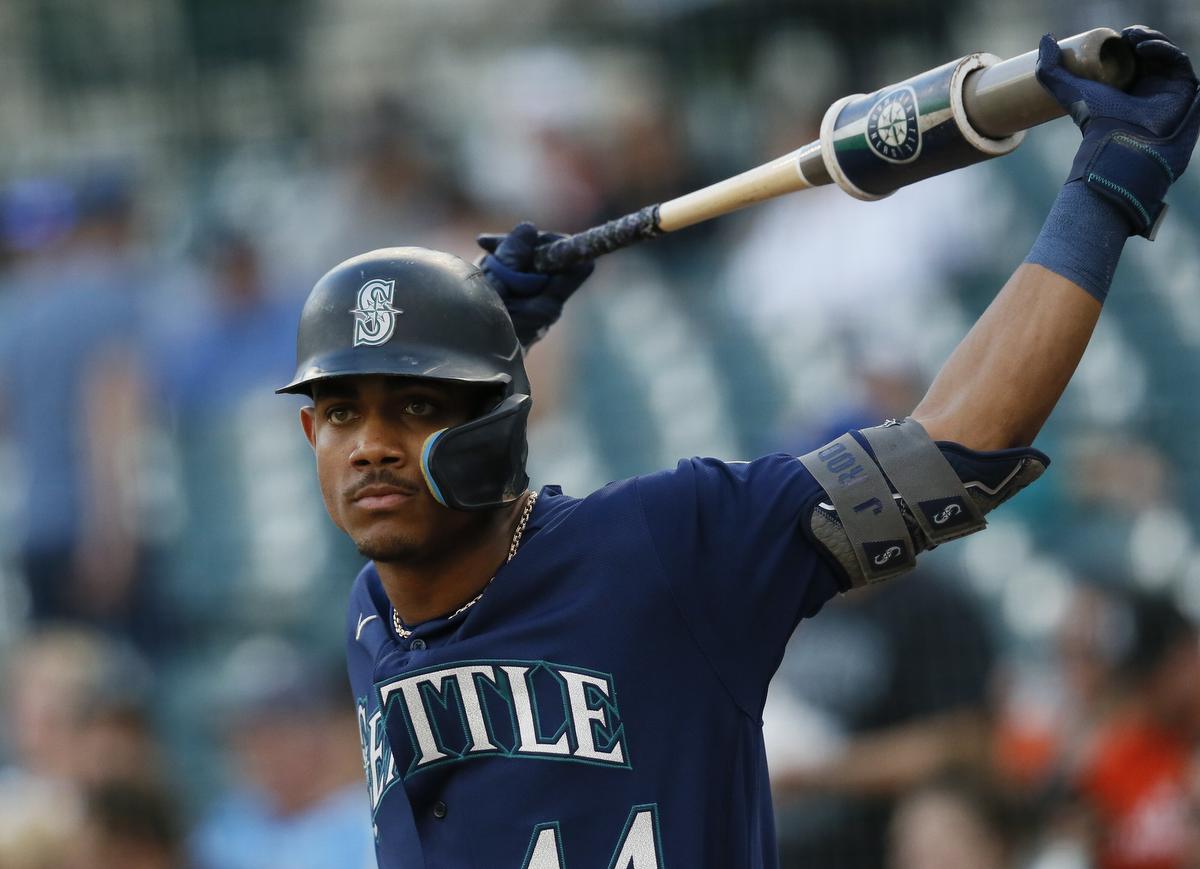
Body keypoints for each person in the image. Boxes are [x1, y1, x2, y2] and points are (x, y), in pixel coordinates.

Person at [277, 29, 1200, 868]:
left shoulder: (666, 546)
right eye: (343, 413)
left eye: (416, 407)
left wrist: (1105, 191)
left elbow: (954, 449)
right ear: (311, 432)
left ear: (495, 421)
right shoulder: (373, 612)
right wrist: (468, 332)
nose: (371, 448)